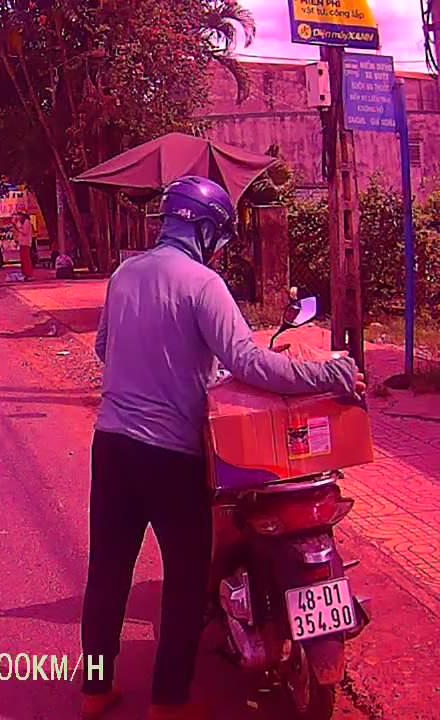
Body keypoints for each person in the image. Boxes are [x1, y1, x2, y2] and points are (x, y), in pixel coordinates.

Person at [80, 176, 364, 720]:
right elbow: (248, 362)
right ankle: (169, 702)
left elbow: (103, 348)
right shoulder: (204, 284)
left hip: (111, 448)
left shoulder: (123, 275)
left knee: (108, 572)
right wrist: (325, 374)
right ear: (206, 231)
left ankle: (95, 690)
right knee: (186, 581)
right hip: (172, 457)